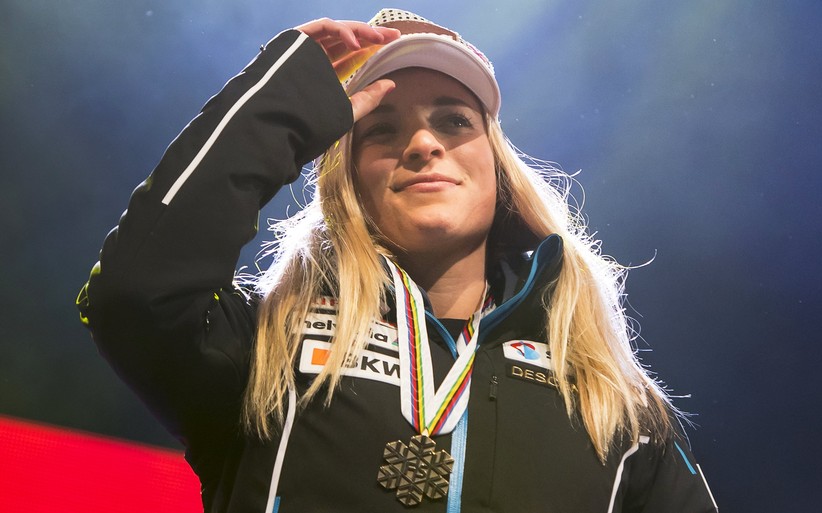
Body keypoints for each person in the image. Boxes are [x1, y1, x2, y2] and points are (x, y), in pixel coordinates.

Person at [77, 8, 718, 513]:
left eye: (455, 121)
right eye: (380, 128)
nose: (420, 144)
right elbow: (135, 292)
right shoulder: (267, 349)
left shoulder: (616, 406)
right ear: (347, 182)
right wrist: (281, 100)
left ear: (496, 169)